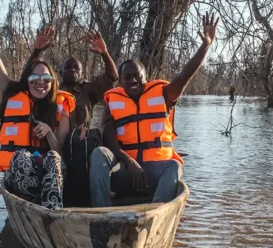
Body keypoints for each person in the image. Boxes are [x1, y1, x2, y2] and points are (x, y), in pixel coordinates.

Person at [90, 13, 219, 207]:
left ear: (146, 77)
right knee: (99, 153)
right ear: (121, 80)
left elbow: (186, 74)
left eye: (137, 76)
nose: (132, 80)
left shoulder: (164, 94)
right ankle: (101, 214)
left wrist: (205, 45)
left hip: (155, 175)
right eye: (127, 77)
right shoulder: (113, 103)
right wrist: (130, 163)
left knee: (174, 166)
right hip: (126, 172)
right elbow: (109, 140)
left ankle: (155, 214)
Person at [0, 0, 69, 209]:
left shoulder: (59, 107)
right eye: (34, 77)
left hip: (48, 181)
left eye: (46, 78)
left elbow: (61, 153)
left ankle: (52, 212)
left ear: (52, 82)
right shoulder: (11, 92)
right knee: (22, 156)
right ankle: (39, 209)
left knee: (53, 157)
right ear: (27, 81)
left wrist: (48, 132)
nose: (40, 82)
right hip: (20, 176)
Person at [25, 26, 119, 205]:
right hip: (54, 145)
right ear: (60, 73)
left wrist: (104, 53)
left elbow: (112, 76)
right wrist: (36, 51)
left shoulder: (88, 89)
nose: (72, 71)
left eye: (77, 69)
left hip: (81, 148)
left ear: (82, 73)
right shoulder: (49, 89)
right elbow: (27, 79)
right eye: (68, 69)